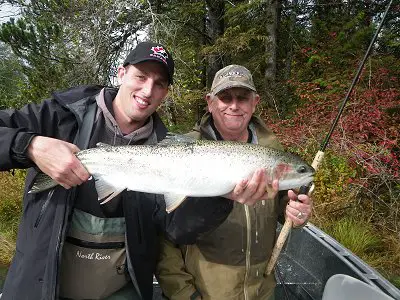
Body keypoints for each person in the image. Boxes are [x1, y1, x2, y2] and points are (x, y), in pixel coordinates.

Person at [0, 45, 268, 300]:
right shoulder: (62, 116)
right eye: (141, 76)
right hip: (40, 288)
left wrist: (222, 195)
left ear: (165, 93)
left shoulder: (170, 149)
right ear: (121, 73)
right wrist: (31, 146)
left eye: (159, 84)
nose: (147, 90)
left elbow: (177, 230)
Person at [155, 65, 313, 300]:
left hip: (261, 290)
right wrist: (184, 294)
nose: (234, 105)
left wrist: (297, 214)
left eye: (242, 97)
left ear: (254, 102)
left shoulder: (273, 152)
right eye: (225, 97)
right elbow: (161, 236)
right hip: (204, 291)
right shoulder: (181, 151)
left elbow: (284, 207)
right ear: (210, 102)